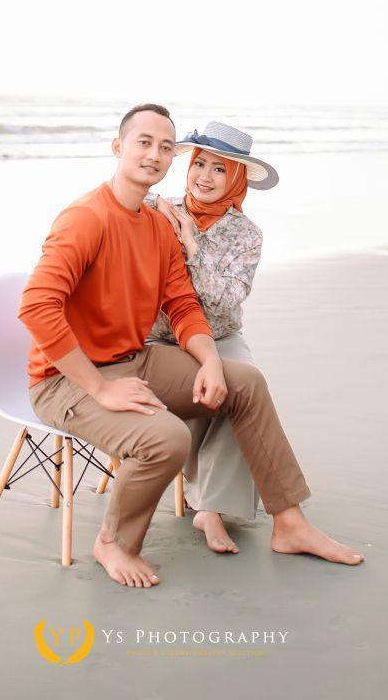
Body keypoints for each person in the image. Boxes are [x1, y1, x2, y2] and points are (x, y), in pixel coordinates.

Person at [19, 103, 363, 588]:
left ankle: (290, 523)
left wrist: (210, 362)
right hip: (66, 381)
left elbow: (182, 302)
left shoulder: (159, 224)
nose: (154, 155)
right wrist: (100, 388)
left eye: (165, 147)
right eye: (144, 143)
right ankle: (114, 543)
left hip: (135, 359)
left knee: (245, 382)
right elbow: (36, 307)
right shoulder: (85, 218)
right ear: (118, 147)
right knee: (169, 438)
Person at [146, 120, 278, 554]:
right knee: (211, 382)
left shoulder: (246, 235)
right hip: (161, 337)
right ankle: (205, 493)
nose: (204, 176)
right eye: (199, 164)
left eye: (219, 169)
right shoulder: (157, 209)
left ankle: (211, 507)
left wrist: (192, 245)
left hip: (220, 334)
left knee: (243, 384)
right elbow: (115, 202)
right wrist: (157, 206)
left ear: (237, 178)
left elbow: (224, 300)